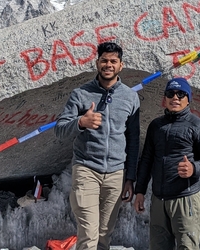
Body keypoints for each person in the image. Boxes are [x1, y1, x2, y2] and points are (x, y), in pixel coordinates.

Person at [55, 41, 140, 250]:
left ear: (121, 65)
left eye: (113, 61)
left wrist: (130, 178)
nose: (108, 65)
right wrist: (81, 123)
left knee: (104, 235)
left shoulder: (131, 97)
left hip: (116, 174)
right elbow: (60, 129)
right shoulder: (80, 94)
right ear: (97, 63)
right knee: (89, 233)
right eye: (104, 60)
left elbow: (134, 138)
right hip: (86, 169)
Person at [134, 77, 200, 250]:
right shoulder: (156, 126)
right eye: (170, 94)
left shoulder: (198, 126)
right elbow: (147, 160)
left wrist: (193, 168)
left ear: (188, 99)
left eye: (181, 94)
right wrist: (140, 191)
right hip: (159, 200)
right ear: (165, 98)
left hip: (185, 199)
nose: (175, 98)